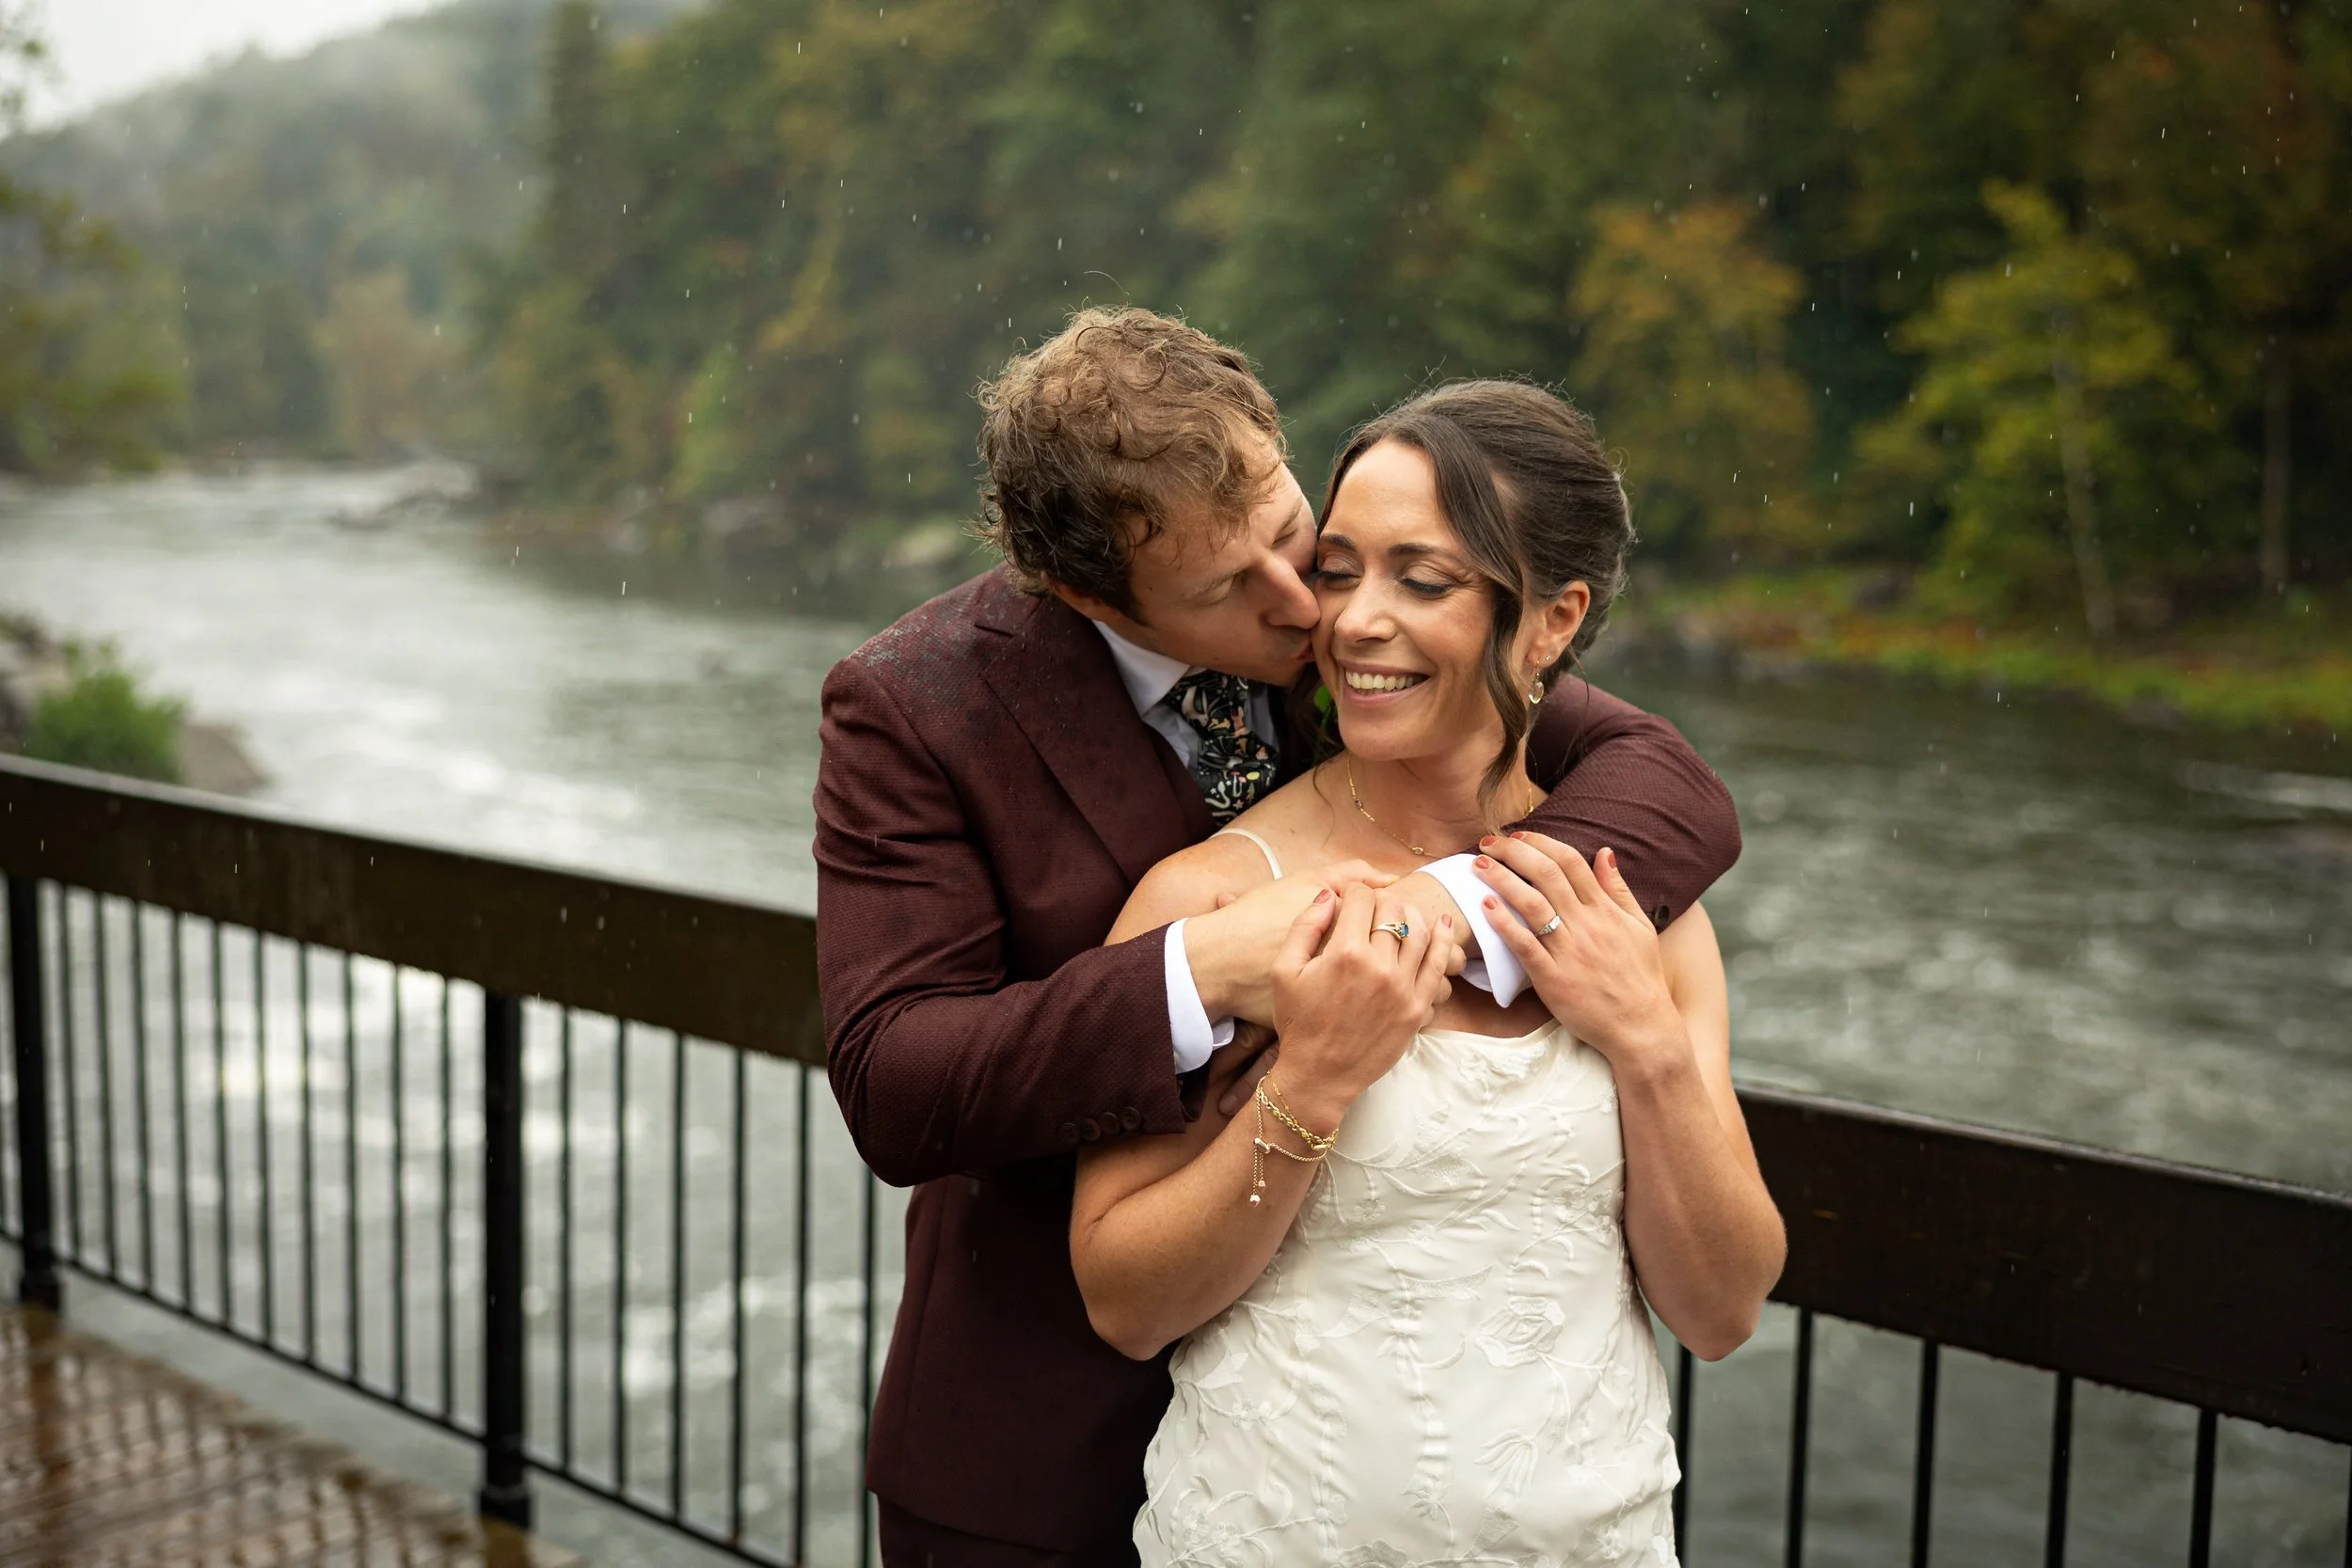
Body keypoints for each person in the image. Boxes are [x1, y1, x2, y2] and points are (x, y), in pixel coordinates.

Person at [815, 310, 1744, 1567]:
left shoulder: (1366, 635)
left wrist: (1434, 913)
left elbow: (1670, 784)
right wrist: (1201, 967)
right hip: (1047, 1441)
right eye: (1225, 585)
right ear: (1087, 594)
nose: (1306, 601)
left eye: (1292, 531)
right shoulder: (917, 702)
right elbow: (897, 1080)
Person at [1069, 379, 1786, 1564]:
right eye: (1339, 568)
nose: (1354, 620)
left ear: (1552, 619)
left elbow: (1720, 1309)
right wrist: (1313, 1083)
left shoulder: (1633, 907)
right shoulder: (1210, 900)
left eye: (1423, 579)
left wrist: (1646, 1044)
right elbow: (1125, 1303)